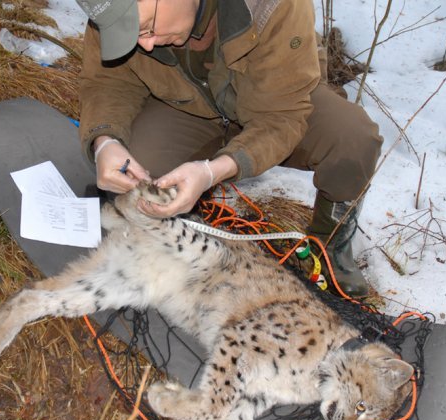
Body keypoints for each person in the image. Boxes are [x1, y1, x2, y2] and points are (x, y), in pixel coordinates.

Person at [73, 0, 383, 296]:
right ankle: (187, 216)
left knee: (352, 138)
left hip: (277, 104)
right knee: (139, 174)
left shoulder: (272, 6)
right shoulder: (115, 12)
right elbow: (107, 83)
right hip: (187, 109)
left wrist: (213, 172)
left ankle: (331, 245)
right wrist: (105, 142)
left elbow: (282, 117)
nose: (148, 45)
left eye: (148, 28)